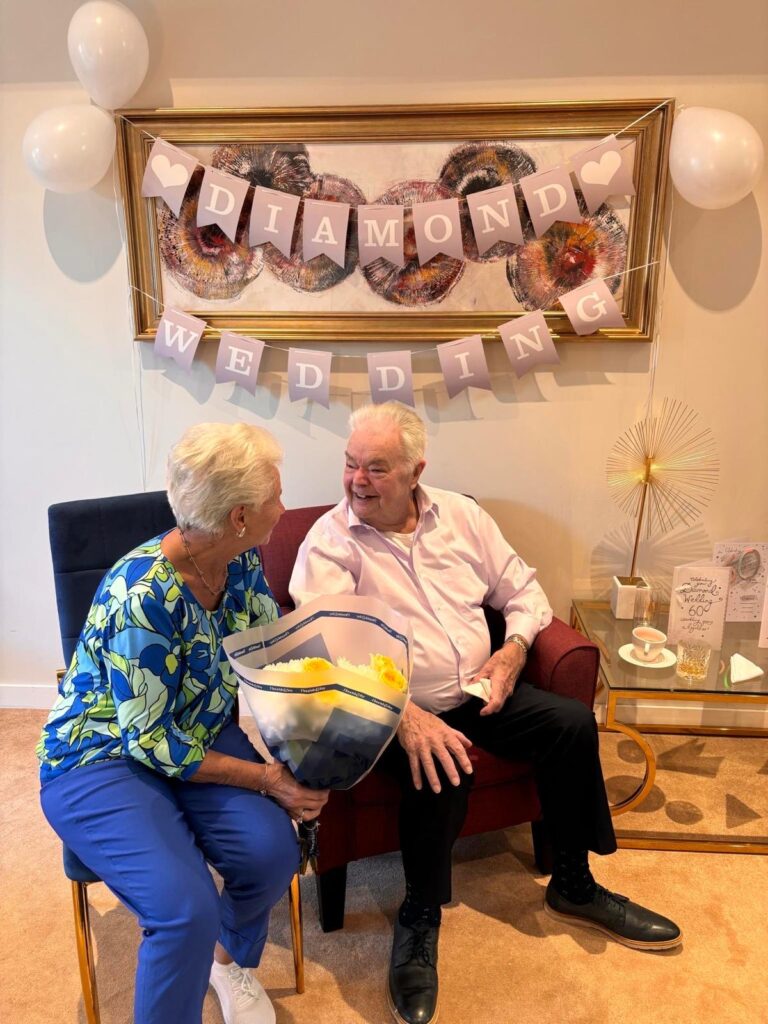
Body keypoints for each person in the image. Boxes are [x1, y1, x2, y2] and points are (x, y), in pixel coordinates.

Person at [290, 402, 681, 1024]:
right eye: (350, 464)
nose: (356, 481)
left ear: (416, 470)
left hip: (481, 688)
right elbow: (329, 651)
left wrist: (513, 651)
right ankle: (418, 914)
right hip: (392, 709)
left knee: (571, 723)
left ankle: (573, 882)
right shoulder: (330, 544)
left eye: (376, 468)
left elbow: (523, 592)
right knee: (442, 761)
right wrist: (404, 714)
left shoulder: (463, 517)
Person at [37, 422, 329, 1024]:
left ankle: (225, 962)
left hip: (194, 729)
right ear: (240, 514)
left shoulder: (241, 561)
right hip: (101, 755)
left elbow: (272, 654)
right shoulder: (139, 596)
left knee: (272, 853)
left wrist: (321, 746)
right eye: (277, 494)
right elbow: (149, 740)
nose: (286, 504)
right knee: (183, 907)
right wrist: (269, 780)